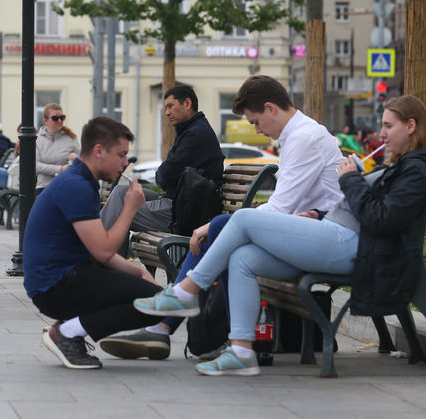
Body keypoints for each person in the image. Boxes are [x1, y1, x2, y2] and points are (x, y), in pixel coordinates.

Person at [133, 95, 426, 376]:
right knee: (243, 259)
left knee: (242, 219)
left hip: (353, 247)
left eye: (388, 126)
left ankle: (186, 292)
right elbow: (369, 209)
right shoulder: (402, 165)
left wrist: (351, 180)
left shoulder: (417, 169)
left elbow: (382, 219)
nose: (381, 134)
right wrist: (320, 213)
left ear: (411, 126)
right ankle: (241, 351)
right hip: (337, 235)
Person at [100, 75, 343, 360]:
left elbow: (279, 208)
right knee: (223, 239)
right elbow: (285, 207)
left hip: (320, 237)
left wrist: (215, 224)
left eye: (255, 121)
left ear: (270, 108)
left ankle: (170, 321)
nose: (258, 129)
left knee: (218, 230)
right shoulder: (298, 135)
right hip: (304, 230)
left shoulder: (304, 138)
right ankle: (175, 329)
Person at [24, 116, 166, 369]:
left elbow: (97, 249)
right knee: (157, 302)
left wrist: (138, 271)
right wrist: (129, 207)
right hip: (54, 286)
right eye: (121, 155)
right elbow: (103, 250)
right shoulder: (76, 185)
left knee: (151, 295)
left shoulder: (82, 181)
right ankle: (68, 333)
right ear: (99, 151)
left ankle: (69, 330)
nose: (125, 163)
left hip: (62, 278)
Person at [99, 85, 225, 256]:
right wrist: (164, 174)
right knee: (122, 192)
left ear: (187, 103)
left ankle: (104, 261)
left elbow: (166, 174)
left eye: (170, 106)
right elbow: (166, 174)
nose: (166, 112)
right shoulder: (189, 130)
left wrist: (164, 174)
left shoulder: (197, 134)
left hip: (185, 213)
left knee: (123, 210)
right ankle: (103, 255)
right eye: (166, 107)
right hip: (178, 202)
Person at [35, 103, 80, 194]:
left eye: (62, 117)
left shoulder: (71, 138)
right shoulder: (37, 139)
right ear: (45, 120)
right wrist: (60, 169)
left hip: (66, 186)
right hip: (43, 188)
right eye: (55, 118)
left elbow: (82, 162)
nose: (59, 120)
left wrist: (76, 159)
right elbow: (35, 166)